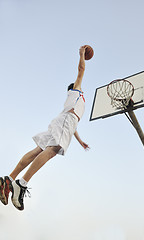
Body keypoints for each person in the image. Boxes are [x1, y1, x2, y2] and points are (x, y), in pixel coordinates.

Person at [0, 45, 90, 211]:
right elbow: (81, 69)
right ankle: (21, 183)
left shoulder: (74, 102)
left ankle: (9, 179)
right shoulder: (77, 91)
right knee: (53, 150)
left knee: (38, 150)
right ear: (75, 87)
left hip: (64, 122)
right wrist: (82, 54)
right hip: (66, 122)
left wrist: (80, 141)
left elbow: (73, 127)